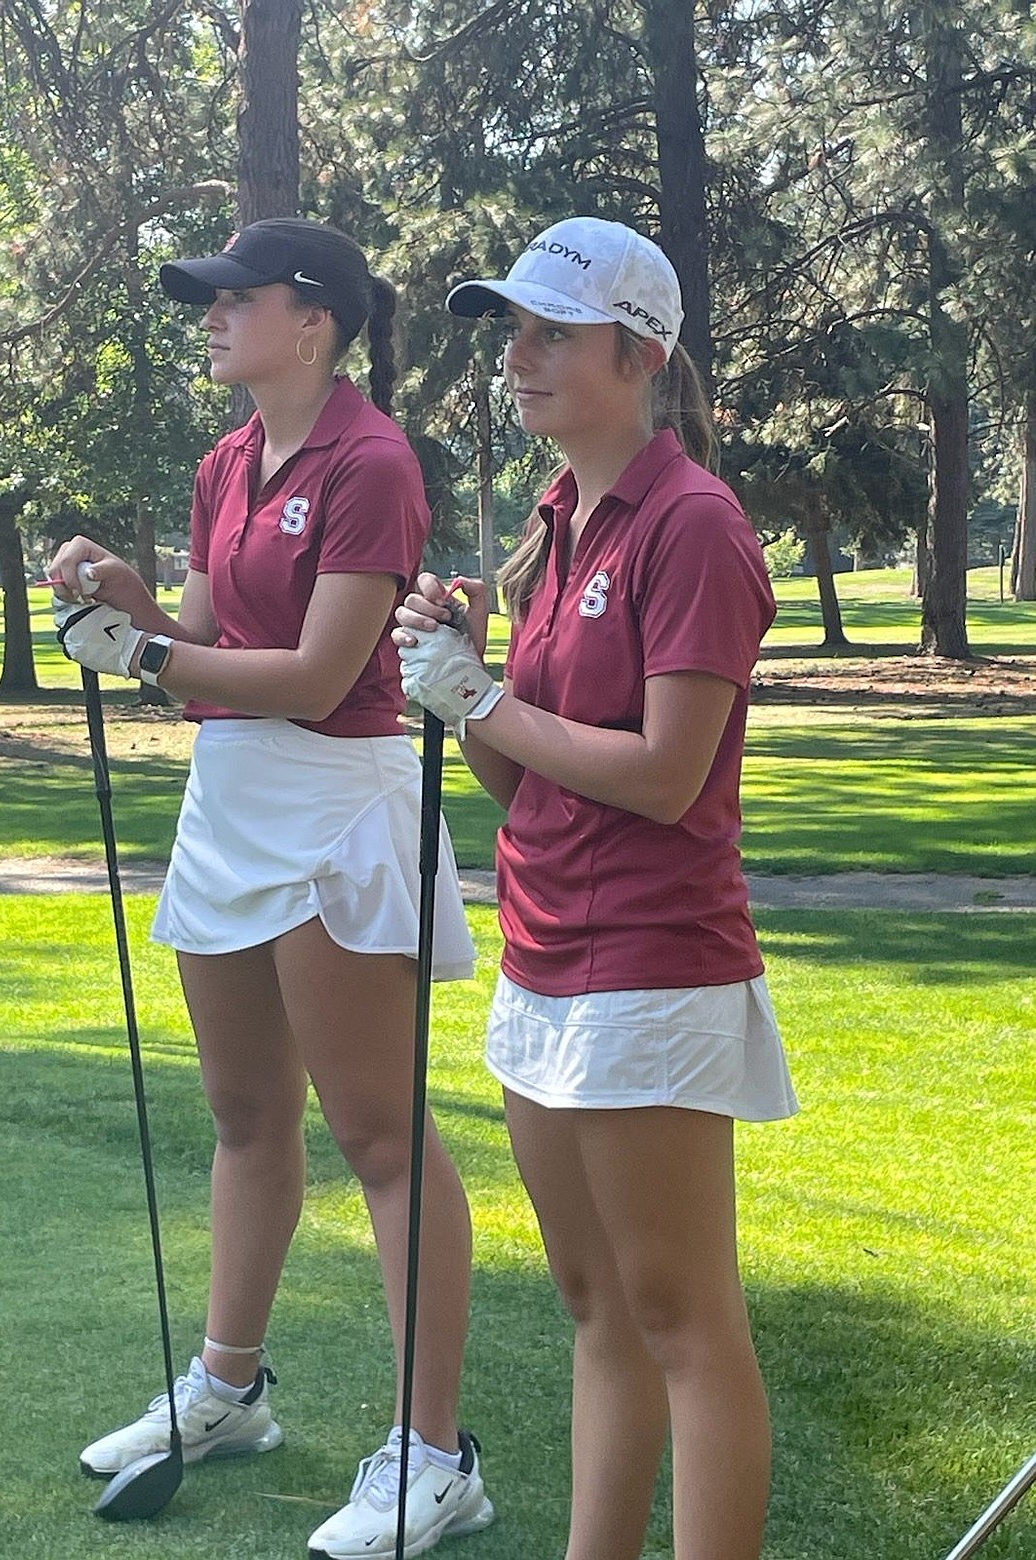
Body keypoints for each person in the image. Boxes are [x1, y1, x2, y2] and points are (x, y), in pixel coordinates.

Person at [49, 218, 494, 1560]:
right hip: (236, 799)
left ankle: (435, 1459)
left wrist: (145, 657)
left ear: (314, 319)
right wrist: (131, 607)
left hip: (336, 807)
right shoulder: (225, 462)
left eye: (235, 298)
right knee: (245, 1117)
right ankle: (227, 1392)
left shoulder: (371, 461)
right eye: (209, 298)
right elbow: (207, 655)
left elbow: (310, 676)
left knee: (378, 1135)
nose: (212, 315)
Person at [393, 216, 798, 1560]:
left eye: (548, 333)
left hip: (654, 966)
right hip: (544, 957)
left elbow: (667, 777)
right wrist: (464, 696)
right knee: (595, 1309)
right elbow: (529, 789)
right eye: (509, 332)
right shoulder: (552, 522)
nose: (515, 359)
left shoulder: (691, 523)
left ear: (637, 354)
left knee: (683, 1320)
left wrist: (486, 696)